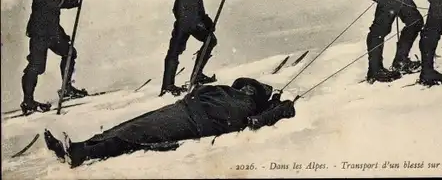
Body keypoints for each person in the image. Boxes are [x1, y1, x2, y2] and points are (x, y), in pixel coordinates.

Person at [44, 77, 296, 168]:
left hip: (196, 122)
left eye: (253, 89)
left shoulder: (253, 108)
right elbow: (200, 91)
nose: (248, 89)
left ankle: (81, 153)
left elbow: (260, 120)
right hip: (184, 109)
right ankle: (77, 146)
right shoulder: (225, 91)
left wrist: (280, 107)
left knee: (138, 134)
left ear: (257, 97)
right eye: (246, 86)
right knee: (131, 125)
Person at [21, 0, 88, 115]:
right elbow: (55, 3)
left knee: (70, 53)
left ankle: (67, 89)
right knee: (36, 66)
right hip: (40, 32)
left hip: (52, 30)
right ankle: (28, 101)